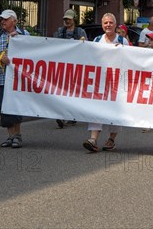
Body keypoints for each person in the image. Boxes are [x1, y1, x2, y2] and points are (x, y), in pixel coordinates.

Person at [82, 13, 129, 153]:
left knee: (115, 111)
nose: (108, 25)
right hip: (100, 82)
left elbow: (131, 59)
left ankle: (111, 139)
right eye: (105, 23)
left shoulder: (122, 40)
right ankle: (93, 139)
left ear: (115, 25)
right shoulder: (97, 40)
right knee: (96, 108)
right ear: (102, 25)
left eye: (110, 22)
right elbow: (89, 58)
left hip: (117, 82)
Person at [0, 9, 29, 148]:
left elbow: (33, 54)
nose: (2, 22)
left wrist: (21, 40)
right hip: (1, 79)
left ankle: (17, 136)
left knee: (16, 108)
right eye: (1, 19)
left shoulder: (24, 35)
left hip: (18, 80)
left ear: (14, 21)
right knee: (4, 109)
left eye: (5, 19)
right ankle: (10, 136)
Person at [54, 8, 87, 128]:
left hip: (75, 67)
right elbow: (53, 46)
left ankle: (72, 115)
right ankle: (61, 115)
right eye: (65, 19)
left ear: (74, 19)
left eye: (69, 18)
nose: (67, 21)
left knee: (72, 92)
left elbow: (86, 48)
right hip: (62, 67)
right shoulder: (60, 31)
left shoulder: (80, 32)